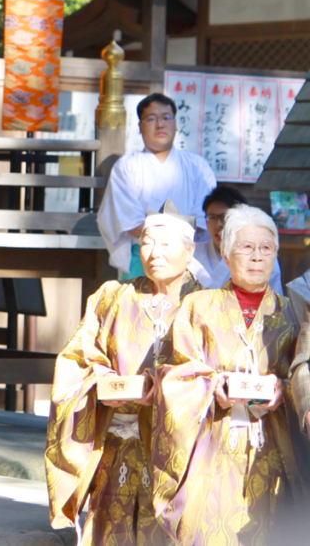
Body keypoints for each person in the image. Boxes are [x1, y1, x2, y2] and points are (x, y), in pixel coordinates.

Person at [45, 203, 201, 545]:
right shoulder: (111, 296)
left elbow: (212, 367)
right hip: (117, 441)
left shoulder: (205, 303)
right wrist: (103, 382)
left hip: (174, 450)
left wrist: (168, 390)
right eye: (146, 242)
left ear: (189, 252)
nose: (154, 252)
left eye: (166, 244)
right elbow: (78, 357)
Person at [153, 204, 307, 545]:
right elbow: (172, 375)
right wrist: (213, 385)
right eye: (246, 247)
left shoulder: (291, 314)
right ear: (225, 254)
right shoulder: (198, 306)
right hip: (213, 448)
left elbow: (303, 373)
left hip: (272, 450)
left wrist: (283, 388)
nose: (257, 257)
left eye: (267, 248)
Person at [97, 93, 217, 279]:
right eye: (152, 118)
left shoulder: (198, 167)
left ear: (176, 124)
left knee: (191, 307)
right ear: (140, 126)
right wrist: (160, 245)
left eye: (166, 117)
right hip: (144, 256)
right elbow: (128, 220)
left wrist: (176, 249)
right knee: (137, 306)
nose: (160, 124)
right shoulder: (126, 167)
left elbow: (204, 217)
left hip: (190, 258)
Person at [193, 185, 283, 293]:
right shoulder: (193, 254)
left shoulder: (262, 255)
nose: (218, 225)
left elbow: (274, 303)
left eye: (225, 217)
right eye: (212, 218)